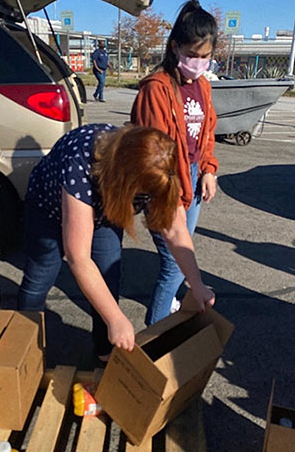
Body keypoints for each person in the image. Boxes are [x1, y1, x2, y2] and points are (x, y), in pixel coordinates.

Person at [17, 123, 215, 364]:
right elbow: (78, 257)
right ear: (125, 181)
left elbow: (175, 230)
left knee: (108, 277)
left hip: (105, 209)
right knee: (41, 276)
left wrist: (197, 285)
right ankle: (23, 349)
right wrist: (116, 319)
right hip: (48, 210)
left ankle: (104, 353)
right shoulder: (80, 162)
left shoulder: (159, 168)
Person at [131, 0, 219, 325]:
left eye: (205, 56)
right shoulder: (156, 89)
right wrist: (171, 196)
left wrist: (208, 169)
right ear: (175, 48)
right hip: (165, 181)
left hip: (192, 176)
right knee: (174, 266)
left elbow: (207, 131)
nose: (198, 63)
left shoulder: (203, 87)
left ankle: (165, 318)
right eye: (192, 55)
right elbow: (154, 153)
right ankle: (155, 339)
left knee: (182, 256)